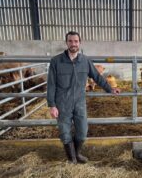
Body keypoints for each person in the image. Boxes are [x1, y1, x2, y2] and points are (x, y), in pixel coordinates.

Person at [47, 31, 120, 164]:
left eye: (76, 41)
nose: (73, 44)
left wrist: (110, 88)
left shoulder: (85, 61)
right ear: (66, 43)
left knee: (82, 131)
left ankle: (77, 153)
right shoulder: (56, 61)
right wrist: (52, 105)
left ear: (80, 43)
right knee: (64, 132)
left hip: (80, 102)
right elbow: (51, 84)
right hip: (62, 103)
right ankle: (72, 159)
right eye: (70, 41)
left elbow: (97, 77)